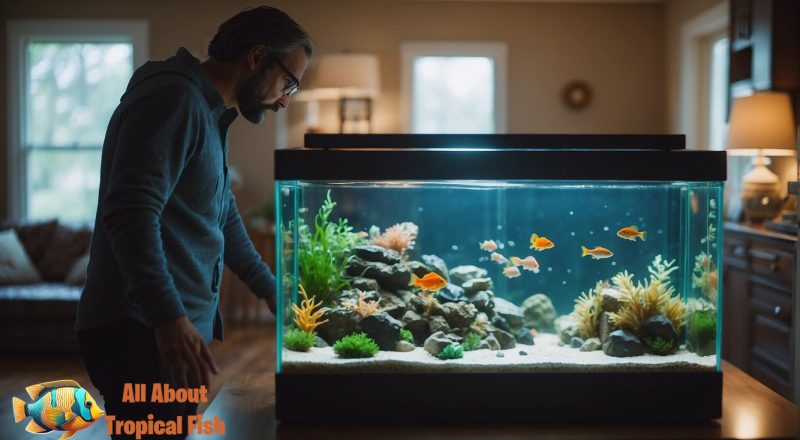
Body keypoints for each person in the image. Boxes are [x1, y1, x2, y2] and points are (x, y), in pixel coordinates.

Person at [75, 6, 311, 439]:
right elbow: (129, 212)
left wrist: (271, 291)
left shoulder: (209, 111)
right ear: (257, 57)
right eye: (289, 83)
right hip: (140, 332)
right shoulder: (174, 99)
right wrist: (169, 320)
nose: (284, 99)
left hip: (157, 328)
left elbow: (220, 217)